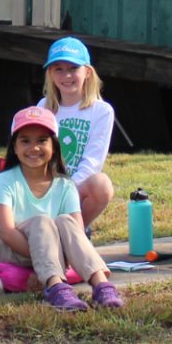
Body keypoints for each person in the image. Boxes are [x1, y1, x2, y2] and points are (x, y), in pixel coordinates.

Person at [0, 106, 123, 311]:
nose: (34, 148)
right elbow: (6, 232)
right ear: (14, 147)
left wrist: (52, 253)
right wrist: (44, 254)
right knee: (42, 221)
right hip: (11, 248)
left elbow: (76, 231)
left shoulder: (65, 185)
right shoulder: (6, 180)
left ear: (55, 146)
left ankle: (102, 285)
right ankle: (56, 287)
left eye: (42, 140)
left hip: (52, 250)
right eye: (25, 141)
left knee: (66, 221)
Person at [36, 37, 118, 226]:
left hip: (76, 189)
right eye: (59, 69)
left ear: (87, 72)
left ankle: (76, 232)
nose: (66, 76)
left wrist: (65, 191)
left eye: (73, 68)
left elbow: (93, 163)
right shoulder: (43, 106)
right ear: (50, 73)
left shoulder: (102, 111)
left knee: (102, 184)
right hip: (45, 188)